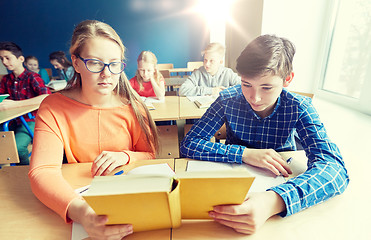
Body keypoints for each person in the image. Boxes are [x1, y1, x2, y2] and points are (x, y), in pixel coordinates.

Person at [180, 34, 349, 234]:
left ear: (288, 79)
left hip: (282, 191)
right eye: (246, 84)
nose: (255, 97)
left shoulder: (300, 107)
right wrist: (244, 153)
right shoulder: (227, 99)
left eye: (267, 87)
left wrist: (274, 200)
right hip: (233, 189)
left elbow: (334, 168)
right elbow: (189, 143)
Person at [29, 20, 159, 239]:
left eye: (114, 64)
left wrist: (126, 156)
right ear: (76, 63)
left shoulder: (134, 107)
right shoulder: (53, 107)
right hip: (78, 202)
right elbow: (42, 171)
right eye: (95, 63)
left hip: (129, 205)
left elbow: (150, 155)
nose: (107, 73)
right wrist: (81, 211)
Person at [0, 42, 50, 165]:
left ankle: (22, 175)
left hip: (30, 120)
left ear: (21, 59)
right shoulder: (6, 80)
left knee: (17, 149)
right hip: (11, 121)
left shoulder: (32, 77)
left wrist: (14, 105)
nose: (4, 62)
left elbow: (46, 97)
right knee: (4, 149)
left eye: (7, 58)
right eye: (1, 59)